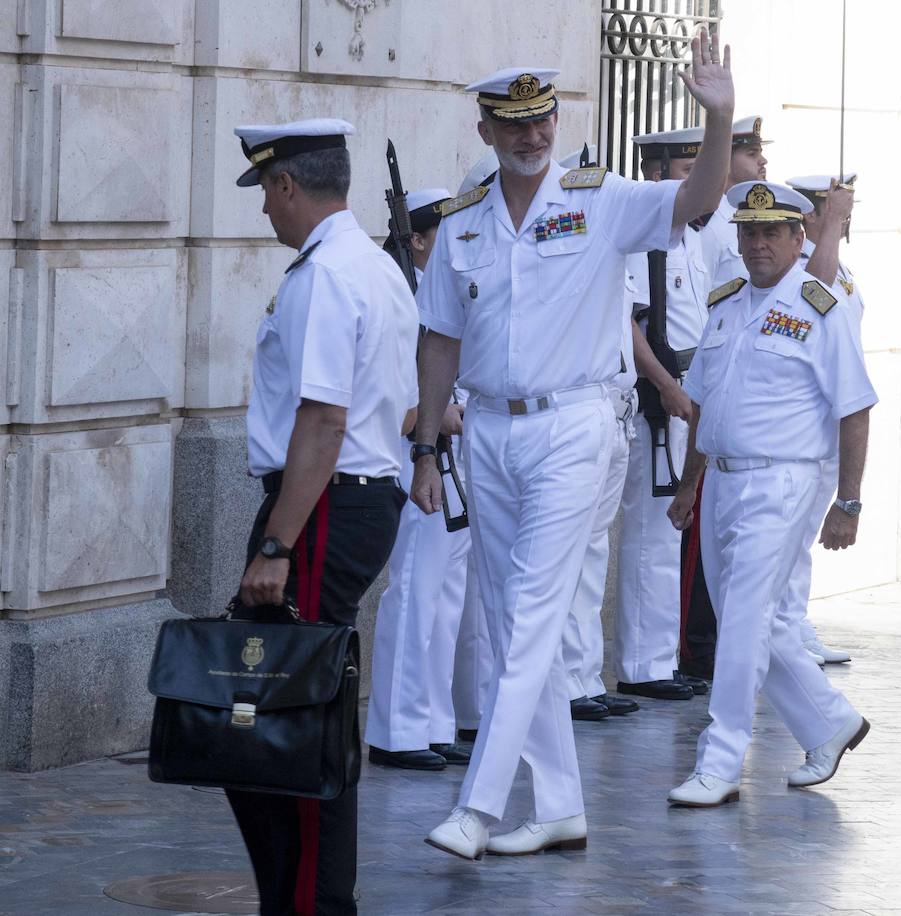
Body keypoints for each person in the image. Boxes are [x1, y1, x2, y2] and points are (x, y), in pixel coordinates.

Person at [411, 36, 735, 859]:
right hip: (485, 429)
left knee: (528, 622)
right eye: (514, 124)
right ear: (486, 130)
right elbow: (439, 342)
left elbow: (695, 198)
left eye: (543, 119)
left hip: (576, 425)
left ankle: (479, 808)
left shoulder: (599, 199)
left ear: (556, 121)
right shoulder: (460, 226)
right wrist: (424, 445)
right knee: (508, 622)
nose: (532, 136)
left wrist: (719, 117)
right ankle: (558, 804)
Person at [230, 118, 416, 914]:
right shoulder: (372, 266)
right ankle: (299, 898)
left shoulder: (326, 275)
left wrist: (277, 543)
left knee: (284, 718)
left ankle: (307, 903)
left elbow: (323, 420)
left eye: (267, 195)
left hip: (319, 509)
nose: (266, 214)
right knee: (274, 712)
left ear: (287, 185)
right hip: (342, 502)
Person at [664, 179, 877, 807]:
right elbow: (704, 404)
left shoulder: (820, 305)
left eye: (771, 232)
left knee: (744, 622)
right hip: (724, 481)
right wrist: (688, 484)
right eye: (749, 232)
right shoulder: (726, 302)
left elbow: (856, 407)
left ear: (797, 237)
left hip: (783, 480)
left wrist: (849, 500)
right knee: (749, 620)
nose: (758, 244)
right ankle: (827, 720)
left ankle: (721, 760)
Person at [365, 188, 478, 771]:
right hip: (413, 459)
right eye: (445, 234)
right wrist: (429, 422)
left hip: (447, 458)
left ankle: (432, 721)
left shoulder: (436, 298)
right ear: (416, 239)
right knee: (413, 594)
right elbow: (382, 396)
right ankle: (396, 730)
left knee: (444, 598)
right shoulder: (396, 297)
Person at [615, 126, 710, 702]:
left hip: (687, 397)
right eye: (683, 172)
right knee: (648, 533)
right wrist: (664, 386)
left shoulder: (691, 239)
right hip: (658, 401)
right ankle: (640, 664)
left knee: (669, 531)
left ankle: (661, 656)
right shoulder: (641, 240)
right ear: (655, 175)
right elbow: (629, 324)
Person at [677, 115, 771, 683]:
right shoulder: (712, 231)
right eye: (749, 151)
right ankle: (699, 648)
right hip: (710, 401)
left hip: (761, 436)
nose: (759, 161)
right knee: (703, 563)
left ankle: (720, 654)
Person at [554, 147, 646, 721]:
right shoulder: (562, 250)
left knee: (592, 552)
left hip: (615, 408)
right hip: (578, 409)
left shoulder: (613, 246)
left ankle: (584, 676)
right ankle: (564, 681)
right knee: (565, 556)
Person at [782, 172, 865, 665]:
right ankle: (788, 631)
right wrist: (831, 226)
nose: (846, 213)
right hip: (803, 420)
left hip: (832, 413)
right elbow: (817, 291)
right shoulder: (806, 266)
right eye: (833, 206)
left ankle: (795, 623)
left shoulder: (843, 265)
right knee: (791, 538)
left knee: (804, 535)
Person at [698, 115, 770, 287]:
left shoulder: (746, 212)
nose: (763, 160)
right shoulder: (708, 220)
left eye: (760, 152)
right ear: (725, 161)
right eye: (752, 153)